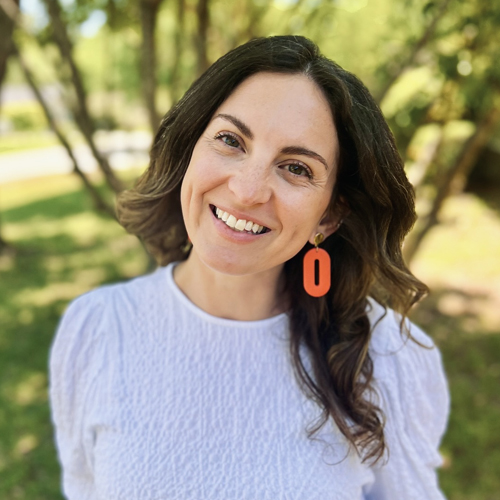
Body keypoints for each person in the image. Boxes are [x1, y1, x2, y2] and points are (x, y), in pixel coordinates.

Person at [49, 35, 449, 499]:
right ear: (190, 148)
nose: (247, 190)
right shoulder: (95, 328)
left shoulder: (388, 356)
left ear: (330, 215)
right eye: (230, 140)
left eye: (297, 168)